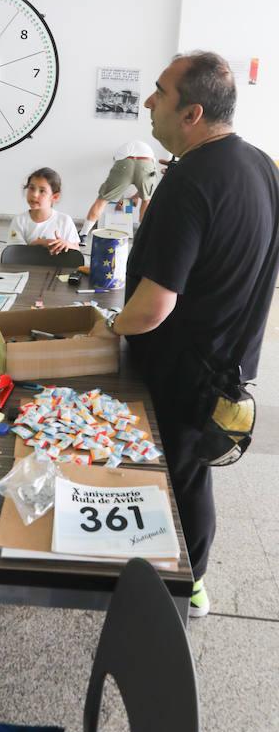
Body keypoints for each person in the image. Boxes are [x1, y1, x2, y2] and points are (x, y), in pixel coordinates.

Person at [93, 51, 279, 616]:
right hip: (229, 363)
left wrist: (108, 326)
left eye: (159, 93)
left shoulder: (189, 180)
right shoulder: (262, 166)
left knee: (173, 475)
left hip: (180, 368)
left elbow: (153, 307)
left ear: (192, 112)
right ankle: (192, 581)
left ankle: (176, 587)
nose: (148, 103)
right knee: (192, 474)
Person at [79, 140, 158, 244]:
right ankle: (142, 238)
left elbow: (120, 185)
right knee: (146, 200)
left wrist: (124, 199)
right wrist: (135, 197)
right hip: (147, 163)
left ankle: (83, 235)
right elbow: (144, 190)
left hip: (124, 162)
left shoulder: (121, 151)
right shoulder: (148, 151)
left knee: (102, 200)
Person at [7, 167, 81, 255]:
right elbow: (14, 254)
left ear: (55, 197)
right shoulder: (19, 221)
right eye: (31, 188)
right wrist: (37, 244)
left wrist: (66, 244)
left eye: (42, 191)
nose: (34, 194)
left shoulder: (65, 220)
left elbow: (77, 251)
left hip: (57, 268)